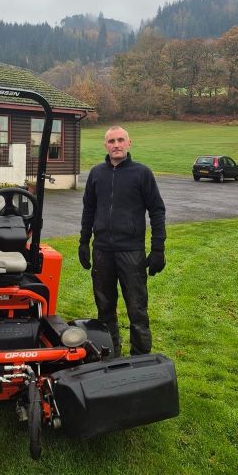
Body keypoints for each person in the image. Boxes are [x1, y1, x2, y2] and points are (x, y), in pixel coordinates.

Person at [78, 125, 166, 357]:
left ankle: (140, 356)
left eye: (120, 140)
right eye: (111, 141)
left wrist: (158, 249)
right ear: (105, 145)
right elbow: (89, 209)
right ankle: (109, 354)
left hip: (131, 251)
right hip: (102, 251)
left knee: (137, 308)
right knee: (104, 307)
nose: (116, 145)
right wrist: (84, 242)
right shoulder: (96, 174)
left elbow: (157, 211)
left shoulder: (141, 173)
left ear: (129, 143)